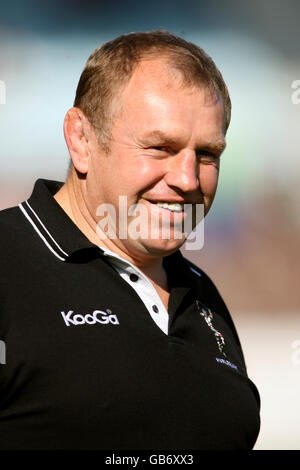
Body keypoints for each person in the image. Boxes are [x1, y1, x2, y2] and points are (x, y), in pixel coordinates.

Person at [0, 31, 260, 450]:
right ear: (81, 140)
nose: (188, 179)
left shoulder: (202, 297)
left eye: (208, 154)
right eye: (160, 147)